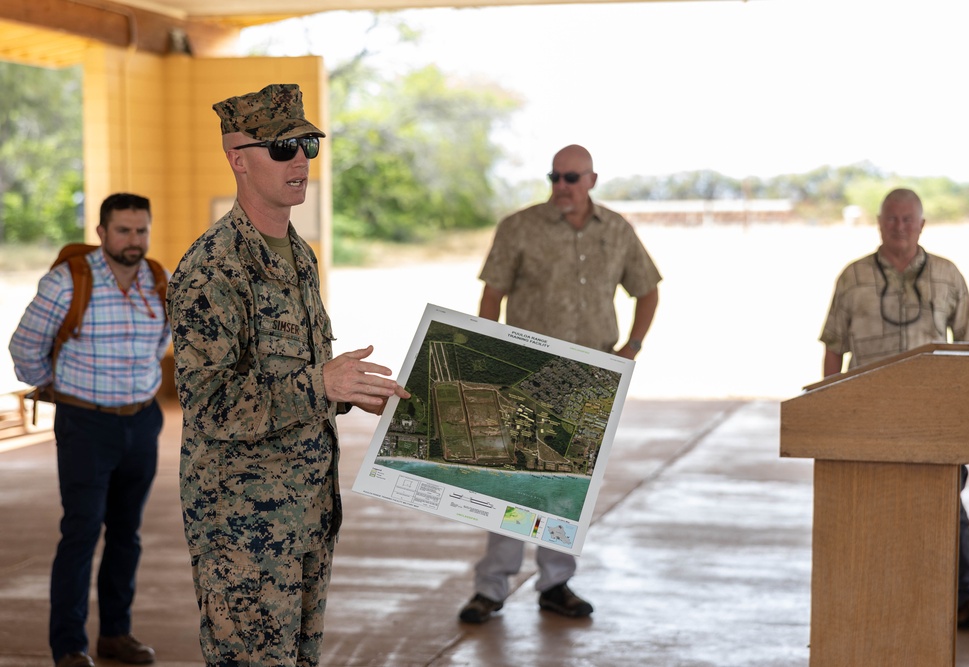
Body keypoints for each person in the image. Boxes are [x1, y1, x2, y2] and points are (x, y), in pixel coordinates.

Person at [167, 83, 409, 666]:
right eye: (282, 148)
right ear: (238, 159)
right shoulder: (212, 269)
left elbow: (296, 378)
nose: (299, 159)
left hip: (305, 513)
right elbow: (209, 404)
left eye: (306, 144)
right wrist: (320, 385)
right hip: (243, 529)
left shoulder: (298, 256)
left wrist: (349, 390)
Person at [459, 144, 662, 624]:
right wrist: (491, 360)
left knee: (566, 489)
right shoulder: (520, 227)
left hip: (591, 379)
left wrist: (632, 346)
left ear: (592, 179)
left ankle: (556, 583)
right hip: (526, 374)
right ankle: (491, 588)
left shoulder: (617, 230)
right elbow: (492, 294)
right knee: (508, 484)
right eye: (555, 177)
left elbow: (648, 288)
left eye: (571, 178)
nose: (562, 187)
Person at [820, 187, 969, 629]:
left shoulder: (949, 276)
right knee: (868, 508)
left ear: (921, 225)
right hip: (867, 418)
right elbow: (834, 347)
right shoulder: (853, 277)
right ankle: (871, 598)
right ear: (879, 223)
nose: (899, 226)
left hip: (933, 420)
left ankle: (961, 599)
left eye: (907, 219)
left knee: (947, 509)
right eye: (891, 219)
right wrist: (828, 410)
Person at [9, 193, 170, 667]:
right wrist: (57, 386)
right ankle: (70, 647)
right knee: (80, 532)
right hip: (85, 424)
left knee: (127, 533)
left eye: (141, 230)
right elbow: (25, 349)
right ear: (101, 233)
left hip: (142, 422)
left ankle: (116, 635)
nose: (133, 241)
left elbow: (163, 341)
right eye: (123, 230)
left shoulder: (159, 281)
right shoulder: (68, 282)